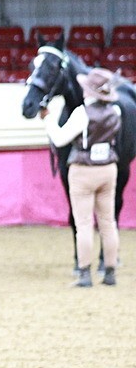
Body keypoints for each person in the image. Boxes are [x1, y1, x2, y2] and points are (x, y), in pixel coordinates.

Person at [42, 68, 121, 287]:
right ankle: (110, 271)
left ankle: (85, 273)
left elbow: (59, 139)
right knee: (108, 222)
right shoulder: (116, 110)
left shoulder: (82, 113)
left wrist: (48, 120)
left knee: (84, 223)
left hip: (83, 170)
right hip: (108, 168)